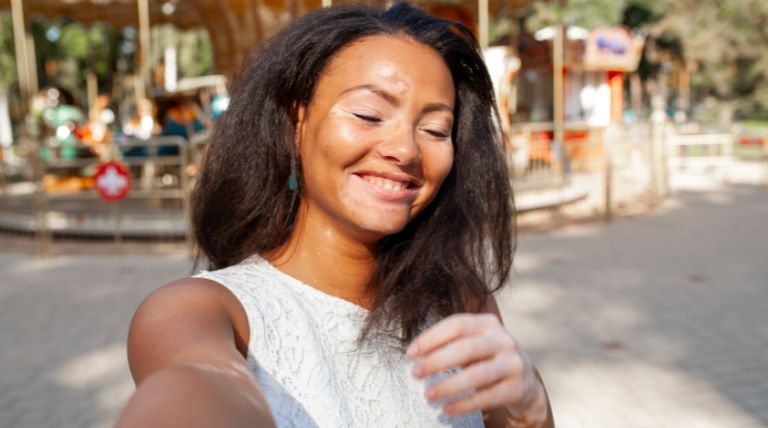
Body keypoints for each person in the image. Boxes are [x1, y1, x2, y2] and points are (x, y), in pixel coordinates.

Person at [116, 3, 554, 427]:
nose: (405, 149)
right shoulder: (205, 311)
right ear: (295, 123)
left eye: (436, 129)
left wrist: (529, 401)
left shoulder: (462, 304)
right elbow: (200, 389)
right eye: (369, 114)